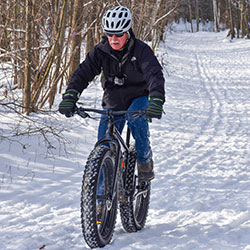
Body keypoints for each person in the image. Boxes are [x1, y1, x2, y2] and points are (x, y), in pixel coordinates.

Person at [59, 6, 165, 182]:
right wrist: (70, 96)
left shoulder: (141, 51)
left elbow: (154, 74)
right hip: (113, 98)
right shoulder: (100, 51)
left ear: (127, 32)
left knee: (135, 119)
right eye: (110, 34)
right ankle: (99, 204)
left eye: (118, 34)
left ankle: (145, 160)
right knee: (104, 145)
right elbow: (82, 73)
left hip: (139, 96)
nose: (114, 39)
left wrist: (156, 99)